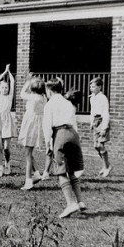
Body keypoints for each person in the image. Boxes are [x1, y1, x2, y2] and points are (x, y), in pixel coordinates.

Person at [43, 78, 85, 218]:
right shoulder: (68, 103)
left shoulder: (49, 104)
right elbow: (74, 122)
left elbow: (47, 125)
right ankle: (80, 201)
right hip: (73, 134)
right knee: (71, 169)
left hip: (60, 134)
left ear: (49, 91)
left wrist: (48, 142)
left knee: (61, 171)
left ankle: (70, 203)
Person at [18, 73, 47, 190]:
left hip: (30, 125)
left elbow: (21, 93)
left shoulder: (33, 97)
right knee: (28, 151)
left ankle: (28, 181)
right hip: (37, 126)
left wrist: (28, 81)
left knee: (28, 154)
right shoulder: (43, 98)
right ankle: (36, 174)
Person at [89, 77, 113, 177]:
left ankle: (107, 167)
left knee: (100, 145)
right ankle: (105, 165)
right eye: (90, 86)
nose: (91, 88)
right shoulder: (92, 97)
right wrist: (91, 122)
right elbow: (92, 112)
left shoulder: (103, 98)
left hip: (102, 121)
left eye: (93, 86)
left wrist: (104, 128)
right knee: (96, 146)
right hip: (96, 121)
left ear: (99, 87)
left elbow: (105, 113)